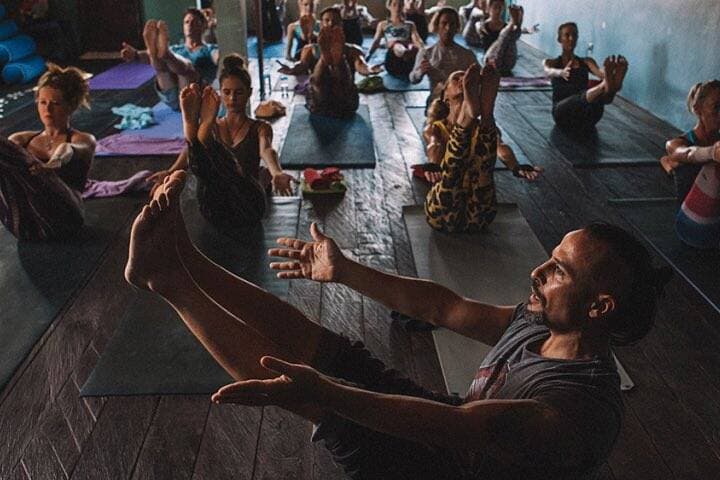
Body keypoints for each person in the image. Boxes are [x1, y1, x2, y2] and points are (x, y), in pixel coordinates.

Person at [124, 170, 670, 479]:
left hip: (447, 469)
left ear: (599, 307)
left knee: (321, 394)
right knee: (334, 353)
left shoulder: (580, 406)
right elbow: (445, 309)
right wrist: (345, 271)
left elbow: (464, 430)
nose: (538, 271)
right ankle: (182, 261)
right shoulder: (545, 322)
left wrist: (331, 398)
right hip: (454, 430)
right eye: (548, 258)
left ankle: (167, 282)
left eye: (558, 271)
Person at [148, 56, 294, 234]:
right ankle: (194, 135)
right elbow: (189, 155)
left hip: (248, 205)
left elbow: (267, 150)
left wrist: (276, 172)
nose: (232, 98)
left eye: (239, 92)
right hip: (213, 206)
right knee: (206, 167)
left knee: (209, 149)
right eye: (226, 92)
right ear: (221, 94)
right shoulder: (215, 127)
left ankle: (193, 133)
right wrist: (170, 172)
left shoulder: (260, 128)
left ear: (249, 93)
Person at [0, 64, 96, 241]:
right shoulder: (22, 140)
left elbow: (67, 150)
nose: (47, 109)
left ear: (70, 106)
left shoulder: (83, 139)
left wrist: (52, 165)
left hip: (64, 218)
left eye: (55, 103)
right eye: (42, 102)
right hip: (26, 222)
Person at [423, 66, 541, 187]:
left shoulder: (485, 129)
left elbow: (499, 147)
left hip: (476, 184)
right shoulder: (435, 128)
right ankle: (485, 111)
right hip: (447, 182)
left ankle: (483, 111)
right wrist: (433, 165)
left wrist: (516, 167)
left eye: (466, 78)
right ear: (445, 96)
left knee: (487, 133)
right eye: (456, 78)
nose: (462, 79)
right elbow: (434, 144)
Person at [279, 7, 382, 118]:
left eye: (335, 21)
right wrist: (291, 69)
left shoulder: (353, 50)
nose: (331, 23)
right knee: (317, 83)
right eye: (327, 20)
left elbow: (361, 65)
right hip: (319, 100)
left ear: (341, 25)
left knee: (339, 79)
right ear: (321, 24)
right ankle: (326, 57)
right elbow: (302, 65)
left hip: (345, 101)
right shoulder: (309, 49)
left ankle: (336, 59)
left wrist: (370, 70)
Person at [120, 9, 219, 111]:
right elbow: (146, 56)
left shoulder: (209, 48)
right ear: (183, 26)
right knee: (160, 63)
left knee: (187, 68)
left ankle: (166, 56)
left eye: (194, 22)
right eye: (187, 22)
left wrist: (222, 58)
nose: (190, 25)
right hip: (171, 95)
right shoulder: (176, 49)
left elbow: (219, 56)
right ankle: (156, 54)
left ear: (203, 26)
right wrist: (135, 55)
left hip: (196, 98)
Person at [660, 81, 720, 248]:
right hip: (692, 227)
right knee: (713, 166)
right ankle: (670, 164)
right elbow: (687, 153)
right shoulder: (676, 143)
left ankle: (669, 165)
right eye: (716, 107)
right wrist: (712, 153)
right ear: (698, 109)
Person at [543, 22, 628, 133]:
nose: (571, 38)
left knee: (602, 96)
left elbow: (600, 73)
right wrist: (561, 72)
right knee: (591, 93)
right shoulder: (552, 62)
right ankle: (610, 87)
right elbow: (548, 71)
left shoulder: (586, 62)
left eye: (574, 35)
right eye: (567, 35)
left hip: (588, 116)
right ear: (559, 39)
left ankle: (610, 88)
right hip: (563, 114)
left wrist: (610, 72)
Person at [408, 7, 477, 106]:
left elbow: (479, 78)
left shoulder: (467, 55)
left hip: (460, 104)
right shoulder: (427, 53)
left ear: (457, 27)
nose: (448, 28)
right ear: (437, 26)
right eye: (444, 23)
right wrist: (420, 72)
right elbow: (413, 78)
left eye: (452, 24)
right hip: (437, 104)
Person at [476, 2, 537, 76]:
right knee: (505, 36)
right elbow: (479, 28)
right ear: (489, 9)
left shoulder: (506, 27)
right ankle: (516, 22)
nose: (498, 11)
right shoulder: (481, 25)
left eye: (500, 8)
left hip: (506, 62)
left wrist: (523, 28)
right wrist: (513, 23)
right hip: (490, 60)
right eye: (495, 7)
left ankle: (518, 23)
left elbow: (515, 33)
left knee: (511, 37)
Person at [367, 0, 424, 79]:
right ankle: (405, 53)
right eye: (394, 5)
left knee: (413, 46)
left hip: (409, 60)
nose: (397, 8)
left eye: (400, 5)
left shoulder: (410, 25)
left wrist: (423, 51)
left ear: (403, 7)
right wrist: (367, 57)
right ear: (389, 6)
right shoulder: (383, 24)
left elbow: (417, 40)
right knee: (397, 45)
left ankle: (408, 55)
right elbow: (376, 42)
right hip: (393, 61)